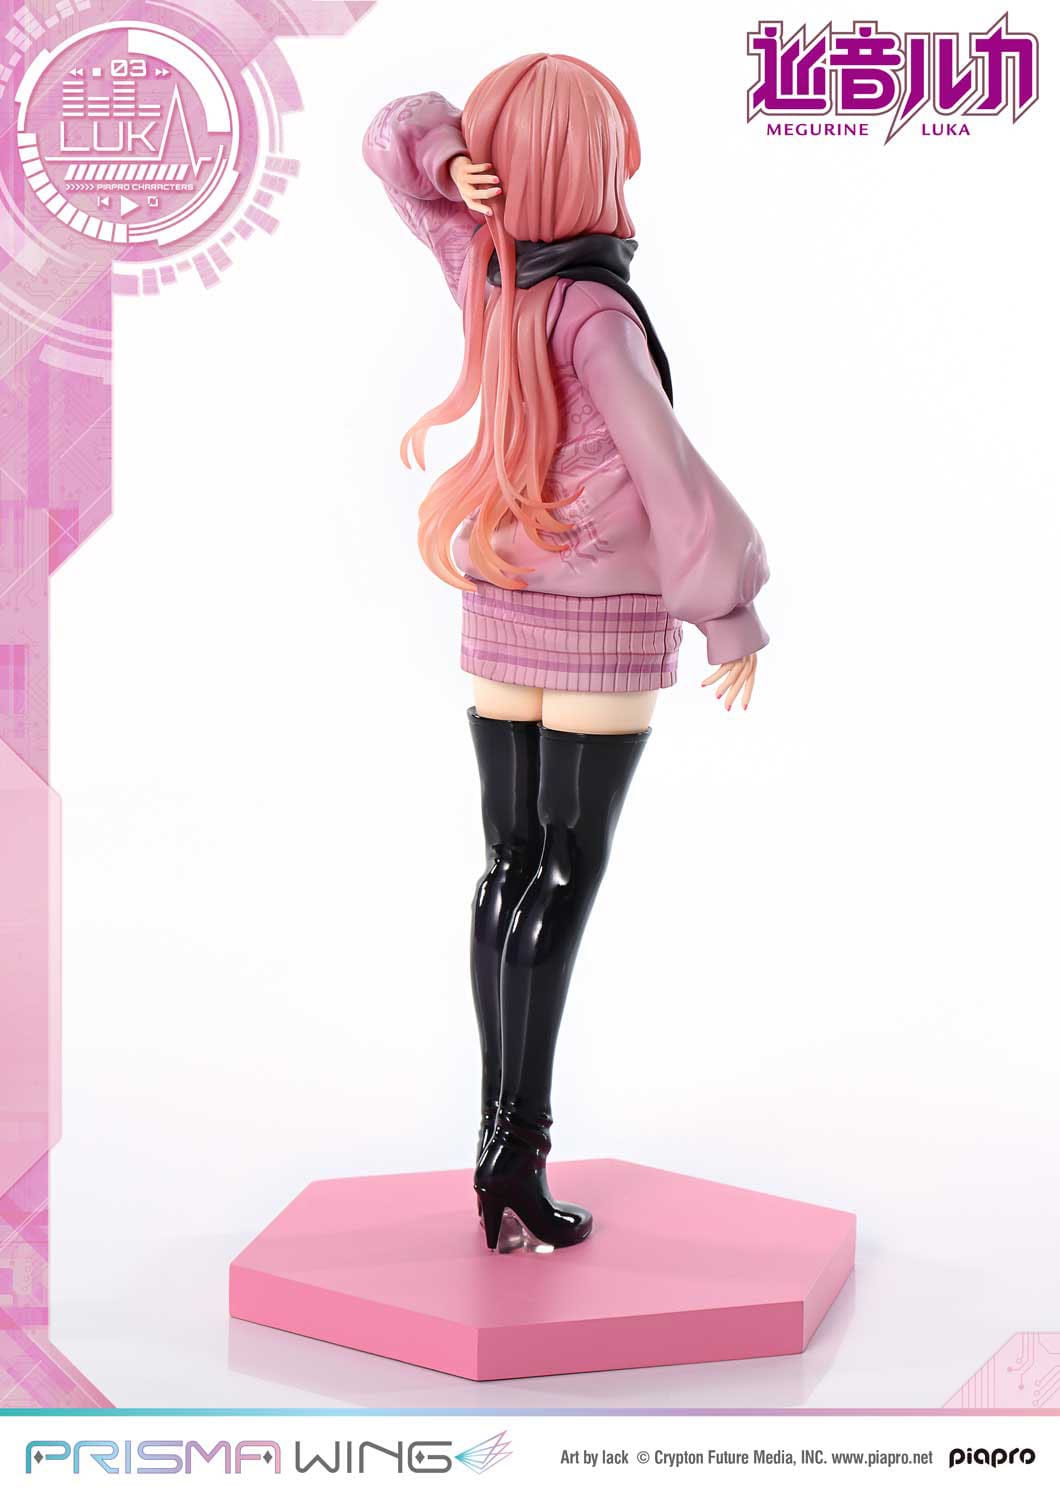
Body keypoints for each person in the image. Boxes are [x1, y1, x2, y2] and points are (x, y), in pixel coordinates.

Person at [363, 54, 769, 1250]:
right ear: (596, 162)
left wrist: (442, 159)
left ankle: (495, 1151)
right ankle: (516, 1155)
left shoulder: (485, 268)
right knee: (562, 871)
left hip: (502, 592)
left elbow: (389, 139)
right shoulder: (593, 308)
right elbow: (664, 462)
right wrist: (729, 609)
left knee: (507, 865)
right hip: (597, 613)